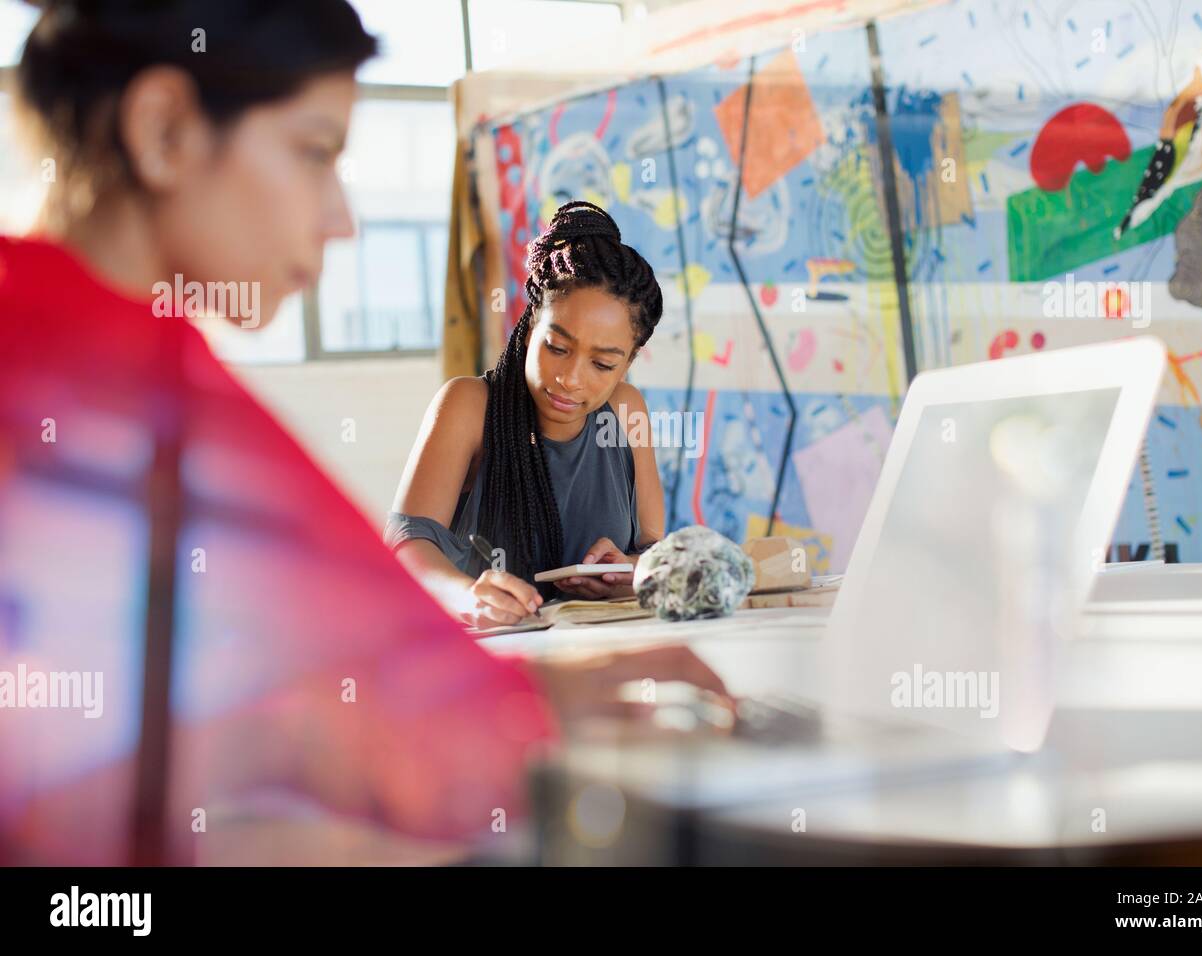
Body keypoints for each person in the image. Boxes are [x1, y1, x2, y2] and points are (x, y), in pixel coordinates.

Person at [0, 0, 729, 865]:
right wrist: (529, 708)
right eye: (315, 153)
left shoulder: (119, 369)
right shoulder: (126, 402)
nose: (341, 220)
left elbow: (327, 681)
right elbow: (395, 700)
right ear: (163, 130)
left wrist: (525, 695)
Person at [387, 200, 666, 628]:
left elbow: (652, 549)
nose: (571, 378)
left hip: (604, 653)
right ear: (531, 321)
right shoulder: (469, 404)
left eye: (603, 364)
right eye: (557, 347)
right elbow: (407, 546)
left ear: (629, 361)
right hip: (495, 660)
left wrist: (626, 573)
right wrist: (465, 595)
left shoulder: (627, 411)